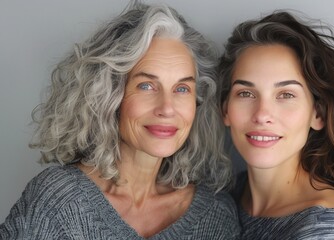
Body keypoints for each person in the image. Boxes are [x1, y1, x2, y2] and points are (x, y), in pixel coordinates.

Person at [0, 1, 240, 239]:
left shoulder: (215, 216)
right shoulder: (57, 202)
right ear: (109, 96)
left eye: (182, 89)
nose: (167, 108)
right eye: (146, 86)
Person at [218, 10, 334, 240]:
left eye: (286, 95)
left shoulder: (330, 225)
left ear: (317, 114)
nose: (262, 114)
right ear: (225, 108)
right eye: (246, 93)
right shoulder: (227, 195)